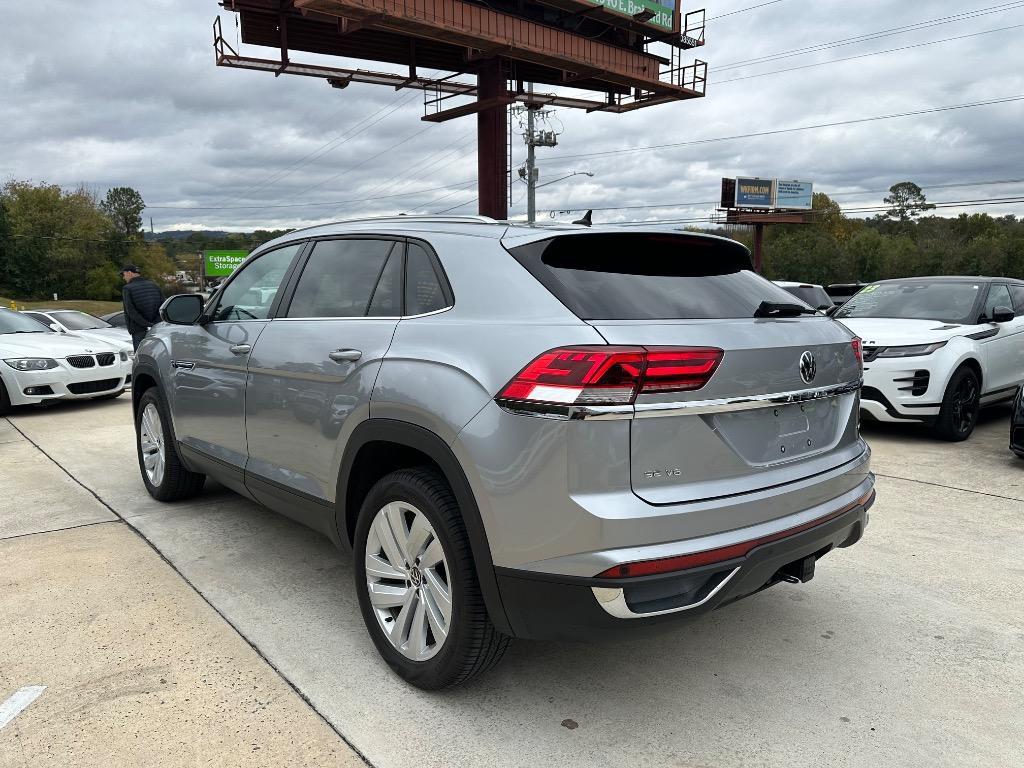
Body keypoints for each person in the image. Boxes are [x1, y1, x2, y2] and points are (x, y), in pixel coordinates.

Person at [120, 264, 164, 350]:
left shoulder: (127, 288)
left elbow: (131, 312)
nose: (123, 278)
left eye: (124, 275)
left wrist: (146, 324)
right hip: (156, 328)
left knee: (140, 356)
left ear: (129, 273)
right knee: (155, 354)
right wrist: (154, 324)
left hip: (138, 330)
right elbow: (163, 307)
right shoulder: (154, 285)